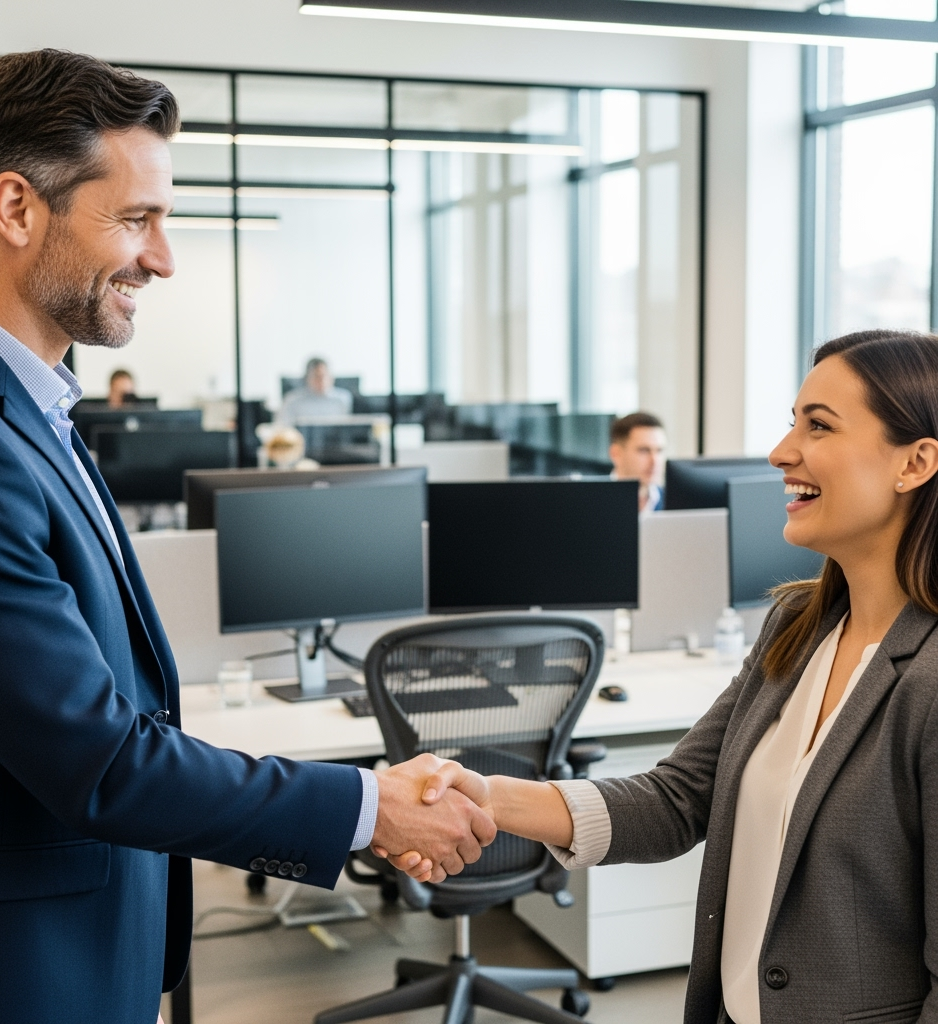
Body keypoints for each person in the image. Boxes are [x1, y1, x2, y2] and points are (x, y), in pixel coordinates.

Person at [0, 50, 493, 1024]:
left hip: (78, 943)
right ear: (16, 208)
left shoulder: (14, 403)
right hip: (10, 973)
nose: (163, 257)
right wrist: (367, 805)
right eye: (135, 218)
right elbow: (96, 759)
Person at [386, 329, 938, 1023]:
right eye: (791, 422)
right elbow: (678, 800)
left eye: (818, 425)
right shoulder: (800, 626)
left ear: (915, 462)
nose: (780, 452)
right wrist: (484, 795)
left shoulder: (929, 679)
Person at [608, 411, 667, 511]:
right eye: (644, 450)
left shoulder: (672, 503)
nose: (655, 461)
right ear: (616, 454)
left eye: (659, 450)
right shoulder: (592, 502)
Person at [277, 356, 354, 424]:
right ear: (307, 378)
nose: (322, 381)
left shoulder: (344, 398)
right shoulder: (292, 400)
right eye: (317, 376)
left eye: (324, 376)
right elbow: (281, 428)